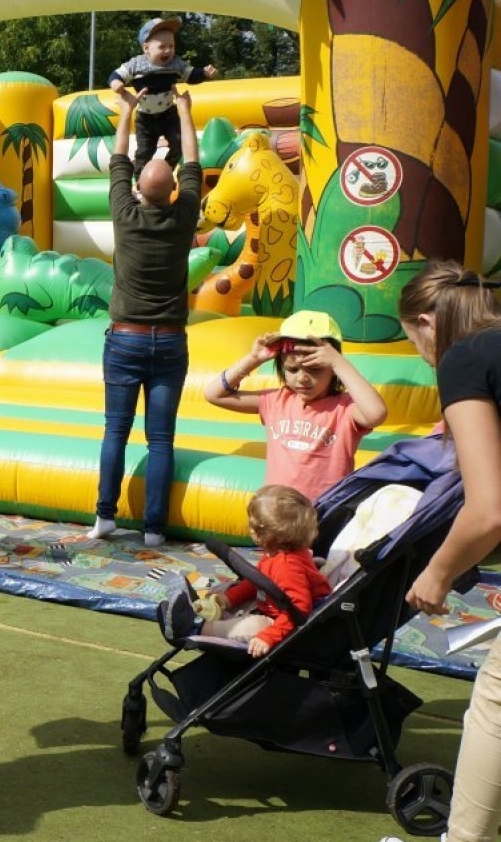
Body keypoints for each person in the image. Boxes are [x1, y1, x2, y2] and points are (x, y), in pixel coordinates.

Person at [375, 260, 501, 842]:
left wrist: (437, 572)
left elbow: (488, 511)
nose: (421, 355)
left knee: (497, 697)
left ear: (427, 322)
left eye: (412, 341)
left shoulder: (467, 357)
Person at [88, 90, 201, 549]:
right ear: (173, 192)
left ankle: (104, 518)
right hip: (170, 342)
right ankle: (154, 528)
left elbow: (118, 158)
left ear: (138, 189)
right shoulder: (184, 217)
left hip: (126, 340)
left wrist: (127, 111)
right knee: (161, 440)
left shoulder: (125, 214)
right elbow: (193, 162)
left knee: (116, 429)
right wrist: (187, 113)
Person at [204, 311, 388, 502]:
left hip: (323, 512)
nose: (302, 378)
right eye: (292, 369)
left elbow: (376, 414)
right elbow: (213, 394)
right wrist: (253, 359)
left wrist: (339, 362)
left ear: (333, 370)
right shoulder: (275, 401)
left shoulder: (344, 408)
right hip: (276, 511)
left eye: (314, 369)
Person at [198, 484, 330, 658]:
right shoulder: (274, 553)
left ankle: (198, 627)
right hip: (270, 604)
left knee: (253, 626)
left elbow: (299, 611)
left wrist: (269, 636)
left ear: (273, 534)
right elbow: (256, 582)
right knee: (224, 590)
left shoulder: (287, 567)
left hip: (289, 624)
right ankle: (209, 611)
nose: (250, 530)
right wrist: (227, 599)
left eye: (255, 527)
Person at [108, 16, 217, 179]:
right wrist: (116, 84)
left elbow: (190, 75)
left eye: (171, 46)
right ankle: (139, 180)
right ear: (146, 48)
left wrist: (204, 74)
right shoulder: (136, 64)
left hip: (169, 115)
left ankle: (166, 170)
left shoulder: (175, 63)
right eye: (162, 46)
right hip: (145, 119)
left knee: (179, 145)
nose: (168, 51)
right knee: (145, 152)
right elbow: (116, 74)